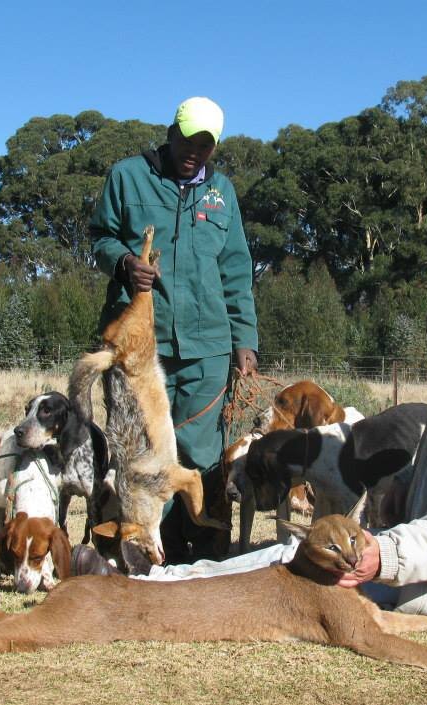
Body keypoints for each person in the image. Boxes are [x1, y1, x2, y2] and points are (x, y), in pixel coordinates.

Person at [91, 289, 427, 617]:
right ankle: (159, 580)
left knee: (301, 574)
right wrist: (402, 492)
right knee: (297, 557)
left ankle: (158, 585)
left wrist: (384, 556)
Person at [89, 97, 258, 561]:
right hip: (141, 347)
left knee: (201, 455)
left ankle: (204, 557)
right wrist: (123, 263)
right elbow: (99, 237)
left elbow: (236, 270)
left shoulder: (222, 192)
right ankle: (148, 556)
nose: (195, 152)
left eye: (206, 145)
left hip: (207, 348)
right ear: (171, 132)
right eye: (188, 140)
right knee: (143, 456)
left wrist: (244, 339)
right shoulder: (127, 176)